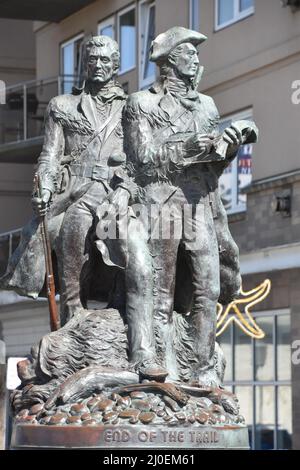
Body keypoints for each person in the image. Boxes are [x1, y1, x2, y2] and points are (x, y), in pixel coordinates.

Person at [119, 27, 257, 386]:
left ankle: (203, 367)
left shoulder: (207, 105)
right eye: (188, 53)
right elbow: (143, 161)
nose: (196, 60)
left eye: (196, 55)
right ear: (168, 61)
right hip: (161, 203)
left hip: (200, 205)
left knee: (208, 288)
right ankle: (161, 368)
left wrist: (229, 146)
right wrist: (189, 147)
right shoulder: (141, 104)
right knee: (161, 294)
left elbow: (211, 167)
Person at [1, 36, 127, 325]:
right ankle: (73, 307)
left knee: (136, 232)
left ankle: (122, 303)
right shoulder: (62, 106)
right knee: (73, 227)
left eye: (104, 60)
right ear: (84, 64)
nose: (97, 65)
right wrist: (44, 188)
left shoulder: (130, 108)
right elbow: (50, 156)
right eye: (92, 59)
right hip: (75, 190)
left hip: (116, 189)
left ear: (116, 65)